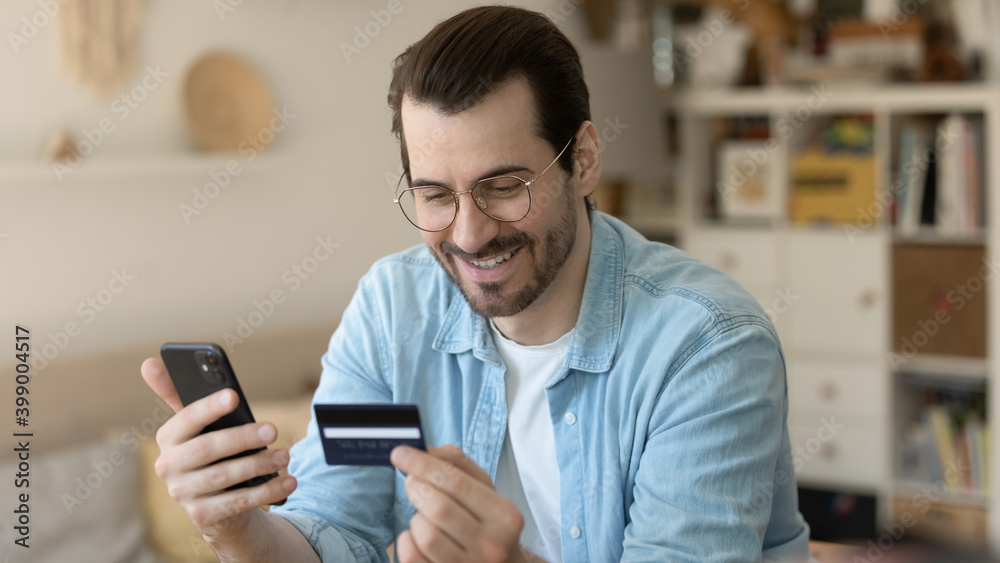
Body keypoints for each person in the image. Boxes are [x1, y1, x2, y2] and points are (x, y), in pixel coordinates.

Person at [141, 5, 810, 562]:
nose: (467, 234)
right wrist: (236, 527)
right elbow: (335, 529)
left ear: (582, 159)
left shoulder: (706, 345)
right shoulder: (392, 313)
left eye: (503, 187)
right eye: (435, 195)